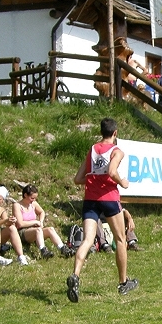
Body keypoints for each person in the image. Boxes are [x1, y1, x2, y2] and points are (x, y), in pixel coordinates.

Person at [67, 118, 138, 303]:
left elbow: (77, 178)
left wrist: (93, 179)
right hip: (109, 198)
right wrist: (123, 182)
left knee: (88, 239)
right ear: (115, 133)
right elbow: (112, 172)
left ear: (101, 132)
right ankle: (123, 283)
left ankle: (75, 275)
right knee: (121, 239)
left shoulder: (92, 150)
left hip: (90, 199)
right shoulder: (117, 151)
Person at [13, 184, 74, 259]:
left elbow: (42, 212)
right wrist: (35, 222)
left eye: (35, 198)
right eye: (32, 198)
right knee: (38, 230)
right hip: (22, 232)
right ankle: (43, 251)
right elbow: (20, 223)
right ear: (25, 195)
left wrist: (41, 221)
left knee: (50, 229)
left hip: (35, 229)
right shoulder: (17, 205)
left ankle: (62, 248)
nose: (34, 200)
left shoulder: (33, 204)